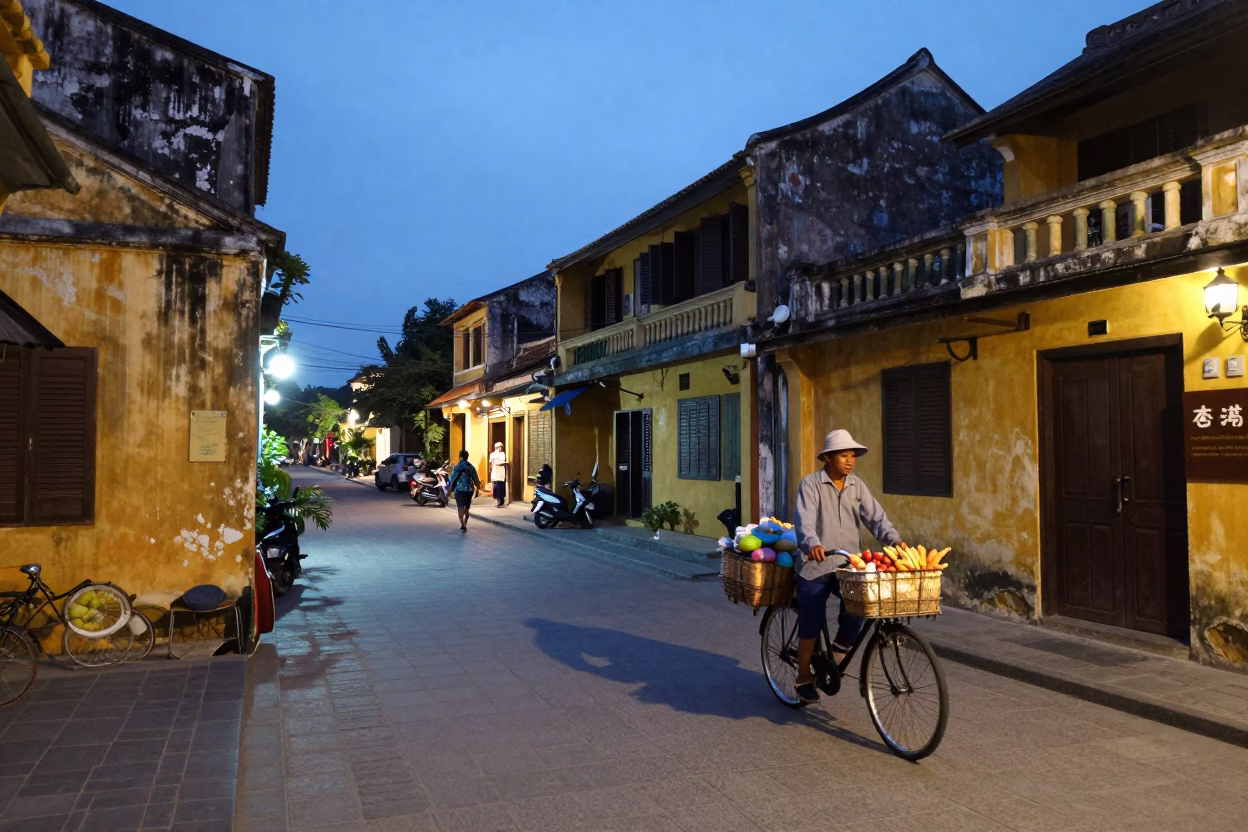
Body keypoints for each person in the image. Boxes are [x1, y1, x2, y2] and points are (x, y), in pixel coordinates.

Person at [793, 429, 903, 704]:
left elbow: (876, 518)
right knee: (811, 620)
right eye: (844, 454)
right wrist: (812, 543)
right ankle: (803, 676)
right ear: (829, 457)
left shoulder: (856, 486)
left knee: (859, 612)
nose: (850, 460)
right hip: (815, 565)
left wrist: (895, 540)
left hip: (847, 564)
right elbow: (804, 521)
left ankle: (832, 659)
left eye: (852, 455)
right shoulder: (811, 485)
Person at [447, 450, 482, 533]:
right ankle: (465, 523)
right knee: (467, 508)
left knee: (460, 507)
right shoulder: (471, 467)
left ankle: (462, 524)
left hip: (459, 489)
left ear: (460, 457)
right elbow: (476, 480)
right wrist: (478, 487)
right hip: (469, 490)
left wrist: (449, 490)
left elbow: (452, 479)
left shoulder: (457, 467)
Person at [489, 442, 509, 508]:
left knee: (501, 487)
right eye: (500, 447)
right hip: (495, 472)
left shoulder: (502, 454)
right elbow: (490, 463)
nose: (500, 448)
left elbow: (503, 462)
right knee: (496, 488)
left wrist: (504, 464)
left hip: (501, 473)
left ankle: (501, 501)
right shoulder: (492, 454)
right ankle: (498, 500)